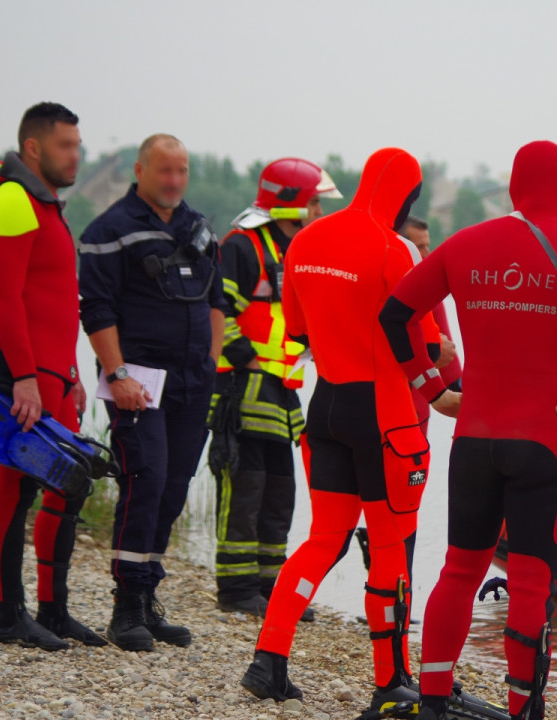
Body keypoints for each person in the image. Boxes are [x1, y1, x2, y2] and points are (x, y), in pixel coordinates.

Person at [379, 140, 557, 720]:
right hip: (544, 445)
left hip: (474, 440)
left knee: (458, 568)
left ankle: (431, 701)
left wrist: (432, 389)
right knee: (530, 584)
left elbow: (395, 314)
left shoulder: (465, 245)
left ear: (512, 189)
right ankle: (523, 709)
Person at [241, 147, 440, 708]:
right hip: (383, 412)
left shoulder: (305, 240)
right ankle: (390, 679)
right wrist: (441, 374)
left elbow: (297, 329)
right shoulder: (394, 247)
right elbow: (419, 338)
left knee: (324, 537)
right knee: (391, 542)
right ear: (405, 197)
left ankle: (269, 658)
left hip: (325, 403)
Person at [78, 134, 228, 651]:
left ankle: (147, 598)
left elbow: (217, 300)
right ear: (140, 170)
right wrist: (117, 375)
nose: (174, 181)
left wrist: (210, 362)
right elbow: (96, 310)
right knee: (147, 480)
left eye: (182, 171)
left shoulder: (197, 226)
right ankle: (125, 609)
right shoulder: (110, 230)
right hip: (138, 383)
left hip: (192, 381)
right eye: (165, 171)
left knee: (175, 488)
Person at [0, 102, 104, 650]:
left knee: (66, 487)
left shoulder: (48, 205)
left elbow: (53, 302)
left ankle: (53, 610)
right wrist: (25, 378)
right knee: (16, 486)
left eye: (77, 145)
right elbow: (3, 301)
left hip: (53, 374)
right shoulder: (10, 201)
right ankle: (8, 615)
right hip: (17, 371)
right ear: (34, 147)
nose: (75, 155)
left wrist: (70, 372)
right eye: (65, 146)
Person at [210, 158, 341, 617]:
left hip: (283, 389)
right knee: (246, 486)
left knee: (280, 489)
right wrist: (242, 354)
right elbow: (217, 307)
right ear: (291, 204)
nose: (319, 210)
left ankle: (270, 585)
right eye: (314, 202)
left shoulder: (297, 249)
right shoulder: (242, 247)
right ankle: (236, 588)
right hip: (242, 388)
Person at [399, 215, 461, 434]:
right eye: (419, 247)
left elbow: (450, 361)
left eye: (427, 246)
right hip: (387, 401)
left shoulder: (430, 290)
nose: (427, 254)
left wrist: (466, 404)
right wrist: (430, 347)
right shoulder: (382, 287)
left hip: (419, 407)